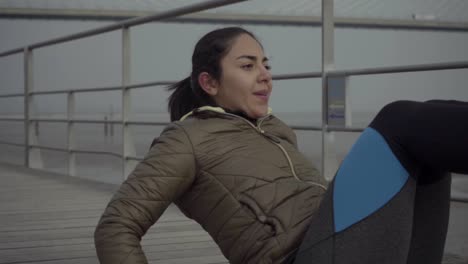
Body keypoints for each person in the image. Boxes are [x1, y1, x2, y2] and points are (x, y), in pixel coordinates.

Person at [94, 27, 467, 264]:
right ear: (209, 83)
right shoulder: (186, 138)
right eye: (247, 65)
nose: (265, 75)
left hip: (340, 242)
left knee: (432, 138)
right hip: (301, 255)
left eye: (265, 64)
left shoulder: (275, 128)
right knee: (397, 120)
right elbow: (116, 227)